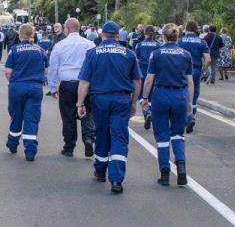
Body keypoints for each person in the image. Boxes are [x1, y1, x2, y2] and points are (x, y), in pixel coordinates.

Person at [77, 21, 141, 194]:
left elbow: (84, 82)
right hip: (121, 99)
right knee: (119, 137)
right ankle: (117, 179)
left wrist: (80, 103)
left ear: (102, 34)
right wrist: (134, 103)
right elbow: (136, 81)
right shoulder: (129, 54)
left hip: (100, 99)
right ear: (118, 35)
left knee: (102, 133)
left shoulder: (92, 53)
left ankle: (100, 171)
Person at [142, 24, 193, 187]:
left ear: (163, 36)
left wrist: (145, 98)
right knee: (178, 134)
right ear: (177, 36)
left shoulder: (156, 54)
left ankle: (165, 173)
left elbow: (149, 79)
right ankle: (181, 167)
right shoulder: (186, 54)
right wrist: (190, 103)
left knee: (162, 136)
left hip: (161, 95)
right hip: (179, 95)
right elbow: (190, 81)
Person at [47, 18, 96, 158]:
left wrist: (52, 86)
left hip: (67, 84)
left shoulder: (60, 45)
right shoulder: (89, 44)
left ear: (67, 29)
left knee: (68, 115)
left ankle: (69, 146)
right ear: (78, 28)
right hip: (85, 83)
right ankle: (88, 139)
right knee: (87, 112)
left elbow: (53, 67)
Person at [5, 23, 47, 161]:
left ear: (20, 34)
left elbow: (8, 71)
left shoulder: (14, 50)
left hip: (17, 87)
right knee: (31, 119)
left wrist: (13, 81)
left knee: (16, 116)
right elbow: (46, 70)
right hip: (35, 87)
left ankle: (12, 143)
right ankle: (30, 151)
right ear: (33, 34)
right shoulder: (40, 50)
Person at [178, 22, 210, 133]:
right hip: (196, 70)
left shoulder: (180, 41)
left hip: (181, 70)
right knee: (194, 94)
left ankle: (182, 119)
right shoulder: (201, 42)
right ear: (196, 30)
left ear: (186, 29)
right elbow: (208, 59)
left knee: (181, 92)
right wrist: (203, 71)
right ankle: (192, 116)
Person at [134, 26, 161, 130]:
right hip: (154, 72)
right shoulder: (158, 45)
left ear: (144, 33)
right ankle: (150, 111)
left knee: (141, 95)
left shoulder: (139, 45)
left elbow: (136, 59)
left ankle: (147, 112)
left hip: (142, 70)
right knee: (151, 94)